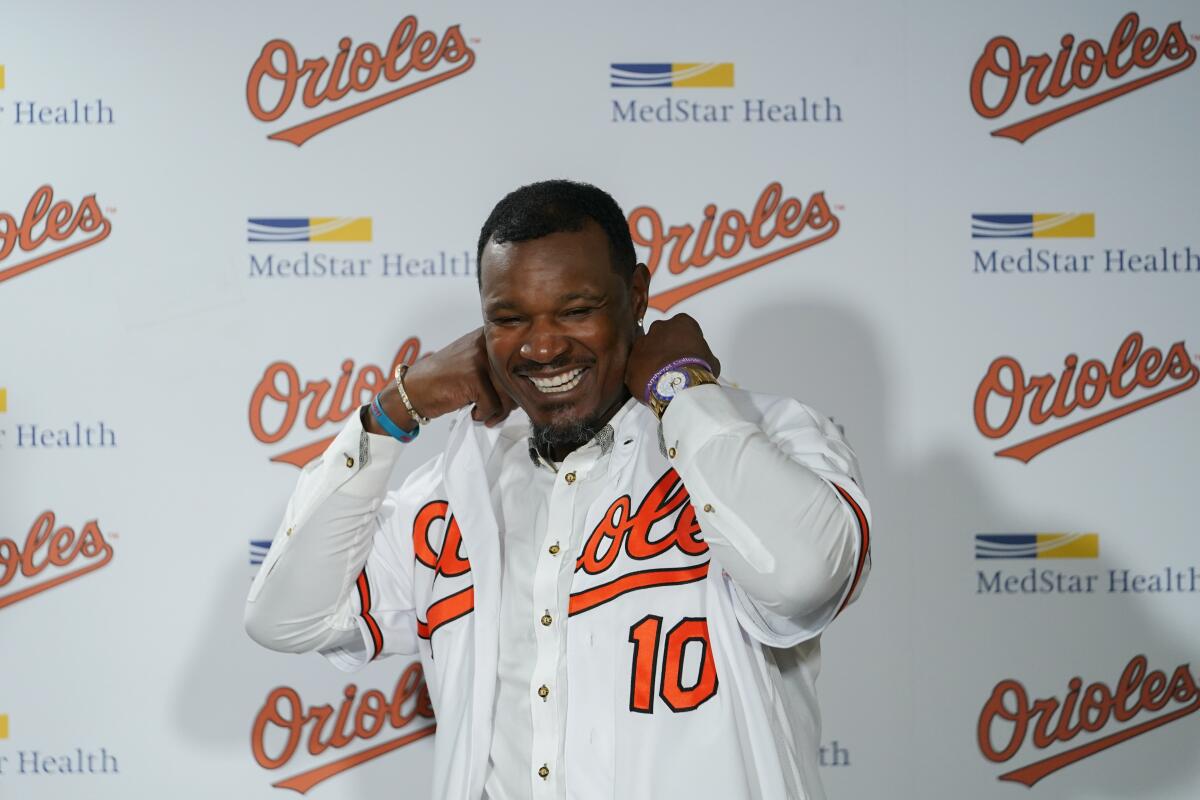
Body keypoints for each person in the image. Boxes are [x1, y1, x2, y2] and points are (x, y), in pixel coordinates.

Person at [245, 179, 871, 800]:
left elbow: (803, 579)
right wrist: (390, 415)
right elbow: (287, 618)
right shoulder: (455, 492)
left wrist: (684, 394)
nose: (542, 346)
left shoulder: (767, 435)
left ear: (637, 296)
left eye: (576, 311)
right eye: (509, 318)